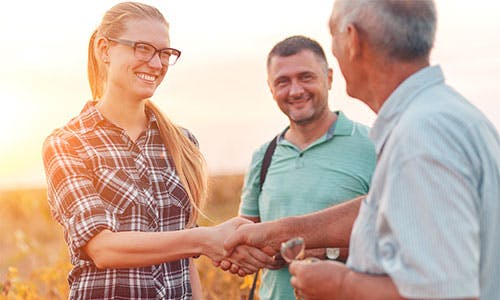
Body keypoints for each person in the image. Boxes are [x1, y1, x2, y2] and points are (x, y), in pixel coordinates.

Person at [225, 0, 500, 299]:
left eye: (333, 36)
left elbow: (449, 293)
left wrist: (343, 286)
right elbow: (381, 208)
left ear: (353, 40)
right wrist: (281, 231)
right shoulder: (444, 115)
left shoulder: (420, 136)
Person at [42, 2, 273, 299]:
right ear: (104, 50)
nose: (156, 63)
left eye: (165, 53)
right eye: (142, 48)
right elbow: (102, 248)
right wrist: (204, 239)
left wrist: (204, 243)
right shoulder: (69, 142)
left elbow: (185, 256)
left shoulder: (182, 142)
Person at [234, 35, 375, 300]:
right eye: (283, 82)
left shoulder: (376, 144)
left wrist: (323, 253)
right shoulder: (263, 156)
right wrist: (249, 253)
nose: (295, 90)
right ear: (270, 88)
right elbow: (245, 237)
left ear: (329, 78)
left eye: (306, 77)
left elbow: (403, 239)